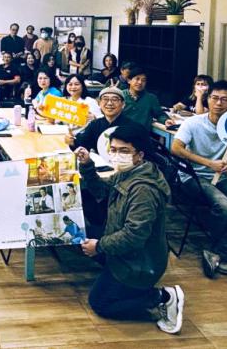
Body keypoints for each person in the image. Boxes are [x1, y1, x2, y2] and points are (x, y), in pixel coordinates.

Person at [79, 124, 183, 335]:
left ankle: (163, 297)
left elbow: (134, 235)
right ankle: (116, 277)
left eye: (124, 151)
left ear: (140, 154)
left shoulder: (144, 190)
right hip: (126, 250)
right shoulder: (129, 172)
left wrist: (99, 246)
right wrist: (87, 165)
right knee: (80, 236)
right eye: (113, 149)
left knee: (100, 303)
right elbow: (101, 191)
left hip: (140, 262)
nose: (117, 155)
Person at [171, 80, 227, 279]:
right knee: (224, 205)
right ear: (208, 99)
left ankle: (218, 251)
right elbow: (176, 148)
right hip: (194, 176)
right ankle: (220, 251)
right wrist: (208, 163)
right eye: (214, 98)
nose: (219, 103)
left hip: (224, 178)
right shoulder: (194, 123)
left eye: (225, 99)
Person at [67, 87, 140, 236]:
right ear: (99, 104)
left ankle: (108, 227)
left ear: (123, 104)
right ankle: (98, 225)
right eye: (105, 99)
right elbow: (82, 144)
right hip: (102, 173)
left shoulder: (133, 127)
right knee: (83, 191)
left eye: (115, 99)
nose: (109, 103)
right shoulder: (96, 124)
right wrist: (72, 142)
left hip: (125, 175)